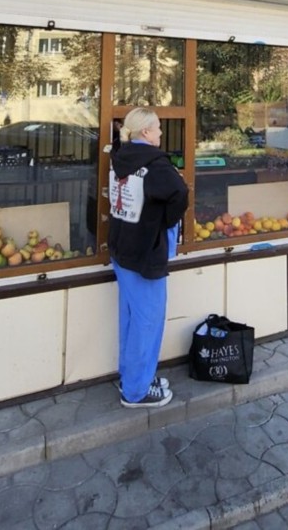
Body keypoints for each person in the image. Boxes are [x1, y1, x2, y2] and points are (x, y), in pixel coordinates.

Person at [108, 108, 189, 408]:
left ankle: (132, 376)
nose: (161, 132)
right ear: (145, 132)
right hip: (145, 253)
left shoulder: (121, 157)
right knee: (148, 321)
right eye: (157, 128)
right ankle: (137, 392)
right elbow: (180, 194)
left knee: (131, 317)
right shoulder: (156, 164)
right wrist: (163, 222)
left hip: (122, 248)